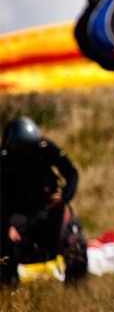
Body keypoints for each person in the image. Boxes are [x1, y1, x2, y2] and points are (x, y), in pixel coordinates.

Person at [0, 116, 88, 287]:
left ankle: (76, 288)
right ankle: (8, 291)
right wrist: (5, 227)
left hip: (48, 210)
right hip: (15, 216)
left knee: (74, 236)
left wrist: (64, 197)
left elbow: (71, 173)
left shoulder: (44, 148)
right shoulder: (4, 160)